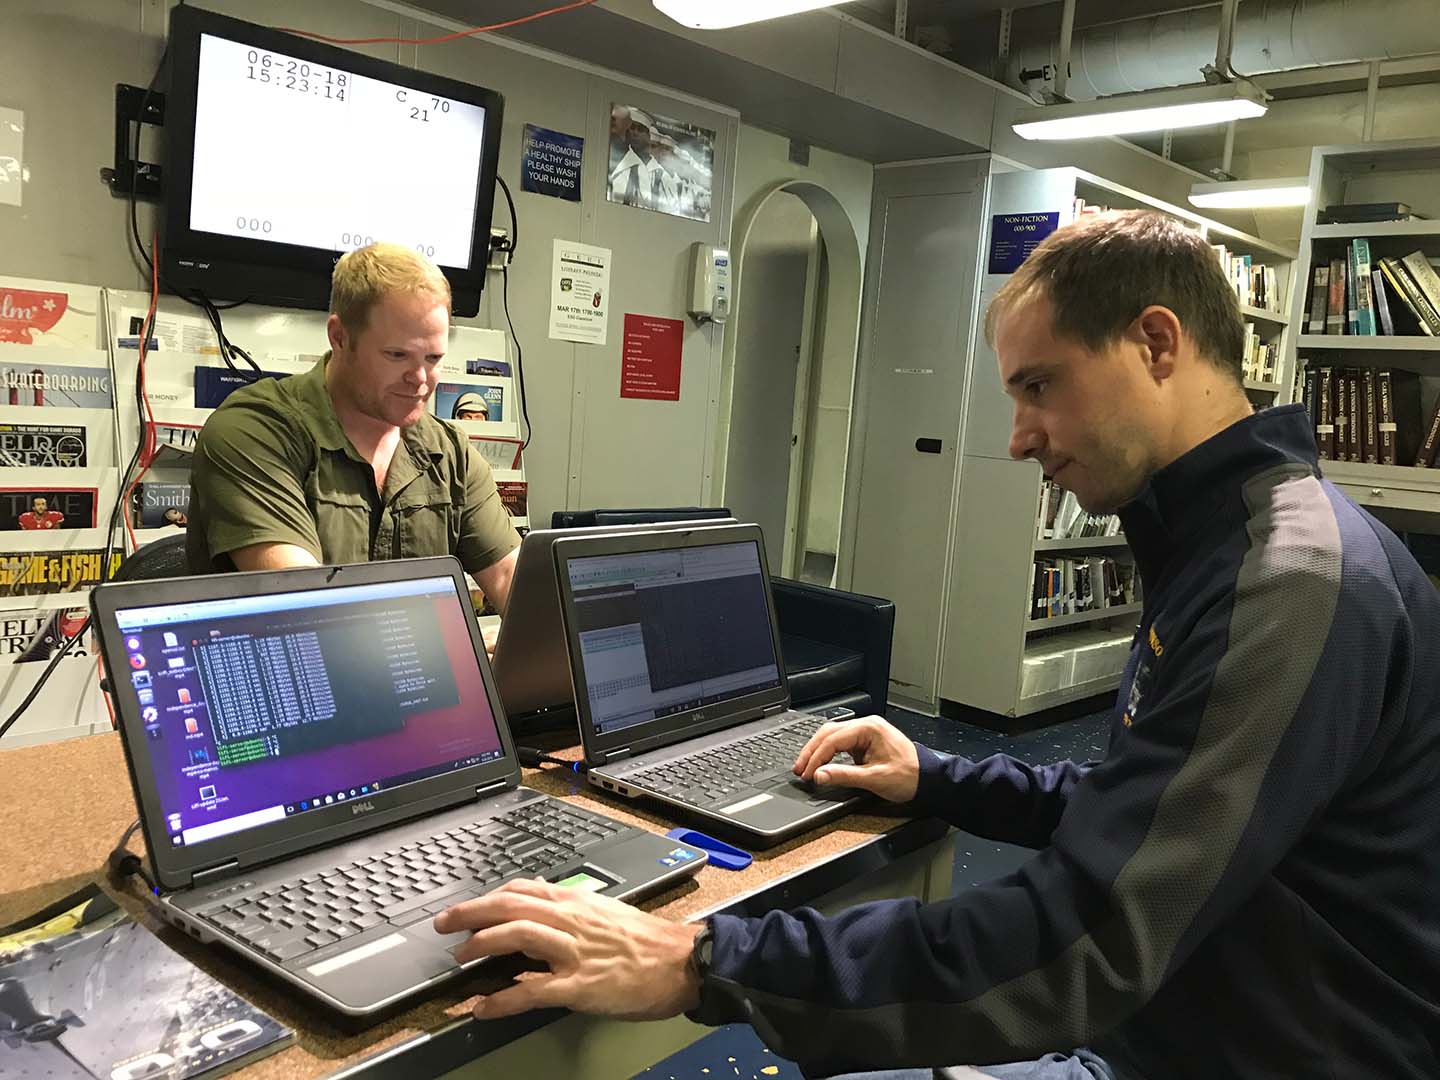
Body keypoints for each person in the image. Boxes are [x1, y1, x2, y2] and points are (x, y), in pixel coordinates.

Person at [430, 211, 1440, 1079]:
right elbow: (1149, 814)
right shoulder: (1233, 543)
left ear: (1157, 344)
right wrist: (942, 779)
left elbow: (1083, 937)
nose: (1017, 435)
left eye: (1039, 386)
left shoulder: (1284, 581)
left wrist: (699, 960)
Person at [187, 243, 519, 616]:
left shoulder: (448, 452)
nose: (420, 379)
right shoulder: (253, 432)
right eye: (398, 355)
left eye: (433, 358)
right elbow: (308, 607)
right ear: (340, 337)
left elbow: (511, 577)